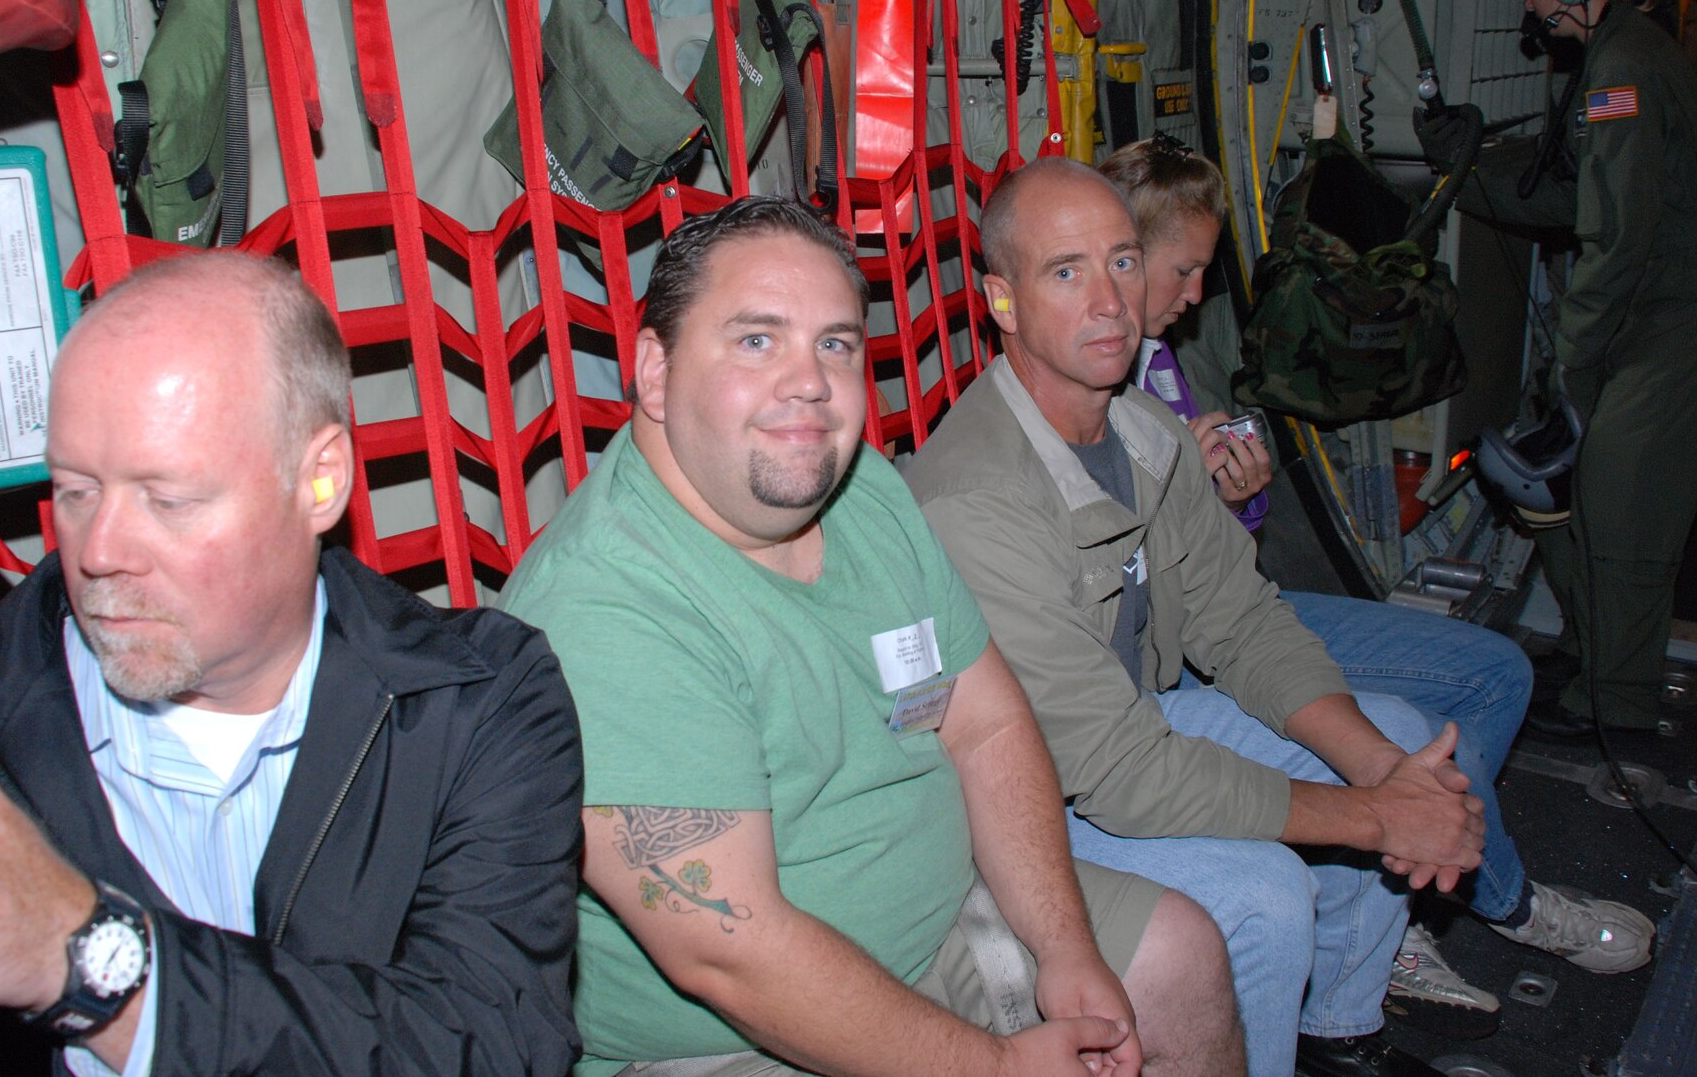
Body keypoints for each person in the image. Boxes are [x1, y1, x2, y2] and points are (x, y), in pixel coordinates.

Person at [499, 196, 1243, 1077]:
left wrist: (1066, 946)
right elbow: (734, 953)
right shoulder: (603, 610)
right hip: (730, 1039)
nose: (809, 381)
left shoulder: (863, 492)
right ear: (653, 372)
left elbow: (987, 724)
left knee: (1180, 958)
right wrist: (999, 1066)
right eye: (756, 339)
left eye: (836, 343)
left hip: (938, 926)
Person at [0, 252, 584, 1077]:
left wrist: (93, 965)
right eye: (74, 490)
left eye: (167, 499)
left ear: (320, 480)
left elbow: (495, 1047)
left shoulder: (477, 699)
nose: (98, 551)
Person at [905, 158, 1485, 1077]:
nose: (1110, 301)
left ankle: (1336, 1028)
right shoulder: (974, 498)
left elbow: (1242, 622)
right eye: (1066, 272)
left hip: (1137, 724)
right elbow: (1120, 773)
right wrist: (1375, 820)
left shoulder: (1147, 431)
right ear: (1002, 302)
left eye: (1125, 262)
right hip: (1031, 794)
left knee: (1401, 732)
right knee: (1263, 893)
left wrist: (1387, 776)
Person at [1098, 134, 1656, 1022]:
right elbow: (1130, 595)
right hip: (1180, 645)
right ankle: (1496, 902)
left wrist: (1239, 497)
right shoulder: (1089, 381)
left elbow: (1231, 561)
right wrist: (1179, 491)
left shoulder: (1160, 360)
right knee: (1426, 743)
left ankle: (1405, 903)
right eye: (1183, 271)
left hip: (1235, 605)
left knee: (1496, 674)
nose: (1197, 295)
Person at [1419, 0, 1697, 737]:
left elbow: (1613, 232)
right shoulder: (1611, 60)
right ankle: (1589, 648)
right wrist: (1467, 168)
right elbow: (1575, 193)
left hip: (1692, 314)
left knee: (1620, 501)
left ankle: (1620, 704)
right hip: (1653, 303)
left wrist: (1569, 358)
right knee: (1564, 490)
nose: (1531, 3)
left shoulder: (1623, 73)